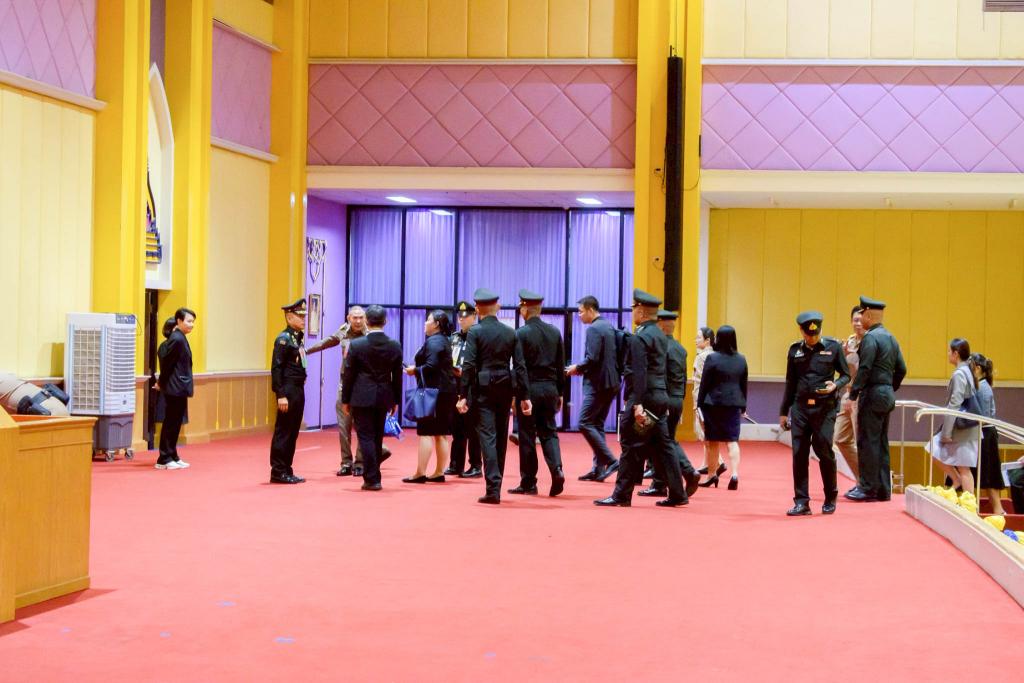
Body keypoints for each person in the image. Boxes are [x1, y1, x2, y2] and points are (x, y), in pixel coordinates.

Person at [594, 289, 699, 508]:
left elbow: (639, 372)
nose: (633, 312)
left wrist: (637, 403)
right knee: (664, 446)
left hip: (645, 398)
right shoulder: (660, 335)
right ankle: (678, 493)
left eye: (634, 308)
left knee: (630, 444)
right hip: (660, 396)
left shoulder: (640, 337)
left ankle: (621, 495)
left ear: (641, 311)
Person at [456, 288, 528, 505]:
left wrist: (463, 395)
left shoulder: (475, 332)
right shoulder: (511, 332)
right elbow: (520, 365)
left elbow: (469, 365)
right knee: (501, 437)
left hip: (483, 389)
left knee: (487, 436)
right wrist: (524, 395)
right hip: (505, 387)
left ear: (477, 309)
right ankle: (497, 484)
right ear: (496, 307)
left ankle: (493, 488)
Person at [779, 311, 851, 516]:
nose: (813, 338)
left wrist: (835, 385)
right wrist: (783, 411)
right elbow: (790, 382)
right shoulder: (794, 351)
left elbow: (846, 375)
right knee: (799, 454)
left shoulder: (833, 347)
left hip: (824, 408)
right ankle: (802, 502)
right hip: (800, 408)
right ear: (802, 331)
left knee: (824, 449)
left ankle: (830, 496)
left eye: (816, 334)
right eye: (809, 334)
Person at [306, 305, 390, 477]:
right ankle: (346, 462)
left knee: (362, 426)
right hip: (345, 384)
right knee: (344, 426)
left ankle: (360, 463)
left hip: (364, 385)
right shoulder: (343, 331)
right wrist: (307, 350)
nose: (358, 321)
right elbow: (328, 341)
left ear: (366, 319)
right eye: (354, 318)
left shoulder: (370, 334)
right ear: (348, 318)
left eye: (361, 317)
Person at [846, 296, 907, 502]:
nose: (860, 318)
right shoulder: (891, 338)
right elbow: (902, 369)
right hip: (886, 394)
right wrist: (889, 387)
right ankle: (883, 489)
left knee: (867, 442)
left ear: (869, 316)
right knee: (881, 442)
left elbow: (865, 368)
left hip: (872, 394)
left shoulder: (870, 338)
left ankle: (867, 488)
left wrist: (853, 394)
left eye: (862, 314)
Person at [509, 289, 566, 497]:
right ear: (539, 310)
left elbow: (519, 368)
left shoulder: (520, 334)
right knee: (549, 432)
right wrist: (560, 392)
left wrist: (518, 395)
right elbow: (560, 365)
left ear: (524, 309)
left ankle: (528, 482)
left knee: (527, 435)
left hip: (530, 389)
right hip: (550, 388)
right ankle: (557, 469)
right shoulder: (554, 332)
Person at [341, 305, 404, 491]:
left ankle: (372, 479)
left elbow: (348, 375)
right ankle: (375, 475)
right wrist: (395, 400)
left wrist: (345, 400)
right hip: (384, 396)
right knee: (376, 437)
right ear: (385, 321)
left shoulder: (357, 345)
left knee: (366, 437)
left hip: (361, 396)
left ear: (367, 321)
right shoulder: (394, 345)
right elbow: (397, 376)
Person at [639, 310, 699, 498]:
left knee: (662, 441)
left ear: (660, 325)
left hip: (662, 399)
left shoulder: (660, 348)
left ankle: (687, 471)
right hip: (677, 399)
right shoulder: (680, 348)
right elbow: (682, 378)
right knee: (660, 441)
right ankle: (659, 483)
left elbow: (660, 376)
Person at [566, 295, 620, 482]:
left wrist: (577, 368)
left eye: (581, 312)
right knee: (596, 424)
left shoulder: (594, 329)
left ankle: (611, 461)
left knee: (584, 422)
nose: (579, 315)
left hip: (598, 384)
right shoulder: (608, 326)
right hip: (611, 382)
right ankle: (598, 469)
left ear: (590, 309)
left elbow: (593, 358)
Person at [403, 310, 456, 484]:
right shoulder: (444, 340)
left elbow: (431, 366)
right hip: (445, 391)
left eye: (428, 320)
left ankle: (420, 473)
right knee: (441, 434)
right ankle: (439, 472)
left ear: (436, 324)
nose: (425, 323)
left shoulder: (433, 341)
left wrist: (414, 370)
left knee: (425, 432)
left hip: (433, 392)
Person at [696, 325, 747, 491]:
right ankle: (735, 474)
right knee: (732, 441)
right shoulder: (741, 359)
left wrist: (699, 404)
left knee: (713, 441)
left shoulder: (712, 358)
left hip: (714, 404)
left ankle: (711, 475)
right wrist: (743, 406)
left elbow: (704, 384)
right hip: (734, 404)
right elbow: (744, 385)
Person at [926, 339, 979, 496]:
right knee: (960, 466)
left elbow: (954, 404)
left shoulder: (960, 374)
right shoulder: (967, 371)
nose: (948, 354)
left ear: (956, 354)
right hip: (966, 427)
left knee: (963, 468)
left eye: (949, 351)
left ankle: (969, 503)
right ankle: (958, 483)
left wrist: (946, 432)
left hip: (963, 428)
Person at [269, 299, 309, 484]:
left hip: (298, 388)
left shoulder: (297, 338)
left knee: (293, 431)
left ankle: (287, 468)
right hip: (288, 389)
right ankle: (278, 471)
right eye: (300, 316)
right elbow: (276, 369)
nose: (303, 319)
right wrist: (281, 395)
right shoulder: (283, 339)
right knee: (284, 431)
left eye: (304, 316)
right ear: (289, 317)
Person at [155, 308, 196, 470]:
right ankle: (164, 458)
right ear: (179, 321)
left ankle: (172, 455)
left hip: (179, 387)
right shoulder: (177, 338)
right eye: (188, 321)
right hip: (174, 386)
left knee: (176, 422)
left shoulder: (181, 337)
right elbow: (167, 364)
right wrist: (161, 382)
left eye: (193, 322)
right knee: (171, 422)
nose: (191, 325)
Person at [445, 301, 482, 478]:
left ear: (474, 316)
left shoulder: (479, 337)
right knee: (457, 428)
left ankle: (475, 465)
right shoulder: (453, 338)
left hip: (473, 388)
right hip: (455, 387)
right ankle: (455, 464)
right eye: (460, 316)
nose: (461, 319)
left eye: (465, 316)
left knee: (472, 429)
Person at [833, 306, 864, 478]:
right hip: (848, 392)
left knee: (861, 441)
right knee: (840, 438)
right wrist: (842, 354)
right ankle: (861, 479)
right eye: (855, 320)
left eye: (860, 320)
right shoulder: (850, 341)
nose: (857, 323)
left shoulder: (870, 342)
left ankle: (868, 483)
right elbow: (844, 370)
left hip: (861, 394)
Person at [971, 353, 1004, 515]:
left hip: (985, 435)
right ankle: (998, 510)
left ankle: (999, 511)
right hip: (983, 434)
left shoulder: (982, 388)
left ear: (977, 369)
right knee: (985, 476)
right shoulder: (981, 386)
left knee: (988, 477)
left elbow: (983, 417)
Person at [693, 326, 722, 476]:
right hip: (712, 399)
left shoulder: (702, 357)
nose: (695, 340)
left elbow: (700, 382)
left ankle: (719, 462)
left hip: (701, 397)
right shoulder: (716, 356)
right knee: (709, 433)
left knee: (704, 432)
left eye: (698, 337)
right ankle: (710, 463)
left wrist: (697, 402)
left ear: (707, 340)